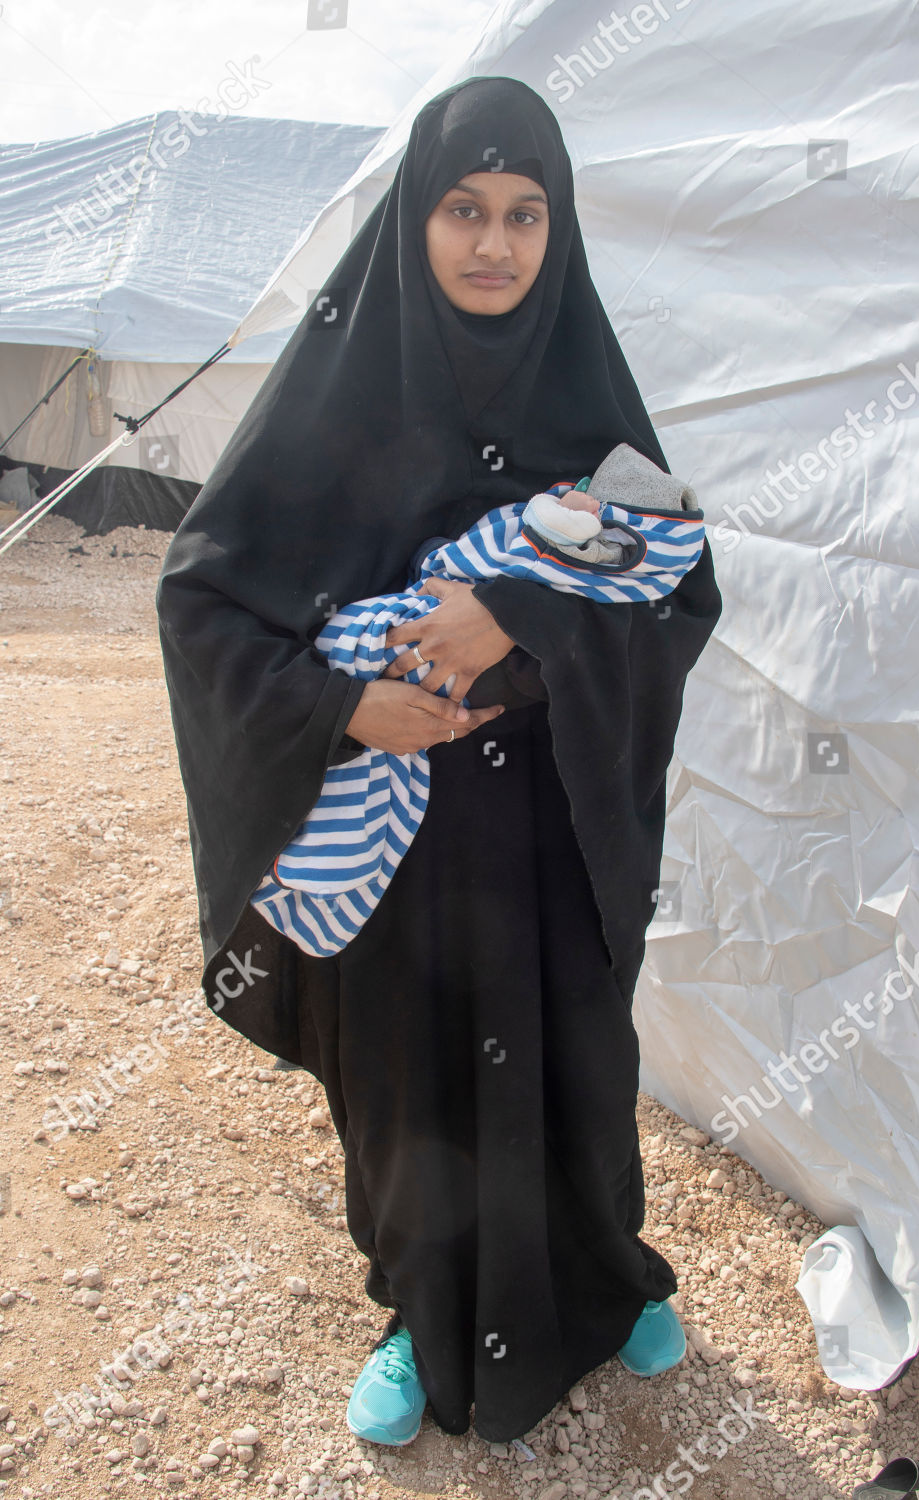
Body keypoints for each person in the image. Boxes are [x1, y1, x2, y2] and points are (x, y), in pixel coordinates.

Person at [156, 75, 722, 1449]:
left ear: (557, 230)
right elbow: (201, 601)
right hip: (391, 839)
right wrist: (343, 707)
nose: (492, 244)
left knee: (578, 1071)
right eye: (461, 209)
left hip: (550, 827)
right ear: (413, 219)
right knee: (407, 1094)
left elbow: (676, 595)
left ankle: (605, 1284)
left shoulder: (588, 397)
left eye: (524, 214)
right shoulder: (336, 399)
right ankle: (417, 1314)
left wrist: (511, 615)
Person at [251, 445, 708, 960]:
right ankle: (329, 864)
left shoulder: (601, 487)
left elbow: (669, 614)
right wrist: (344, 710)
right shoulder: (327, 417)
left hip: (538, 823)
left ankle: (330, 865)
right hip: (387, 721)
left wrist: (512, 613)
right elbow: (214, 610)